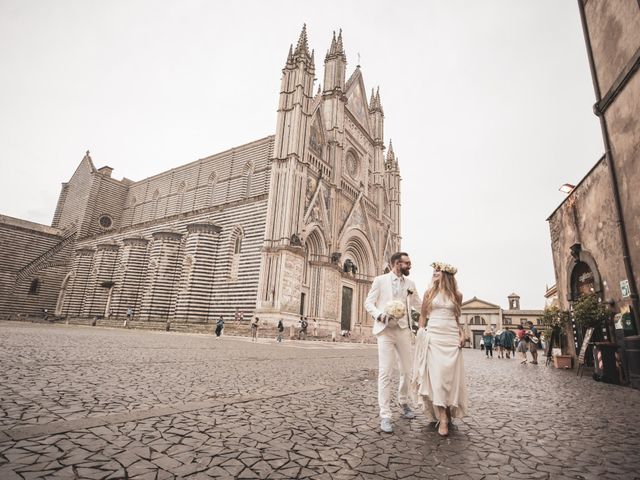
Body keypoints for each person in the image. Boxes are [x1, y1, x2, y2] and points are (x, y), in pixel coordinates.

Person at [364, 251, 422, 434]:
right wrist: (380, 315)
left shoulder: (411, 284)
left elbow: (419, 305)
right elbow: (368, 303)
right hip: (385, 331)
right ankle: (385, 415)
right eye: (407, 263)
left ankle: (403, 402)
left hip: (403, 330)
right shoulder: (380, 280)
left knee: (407, 370)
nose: (410, 266)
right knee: (385, 372)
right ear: (397, 264)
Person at [412, 261, 467, 437]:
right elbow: (422, 315)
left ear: (447, 274)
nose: (434, 273)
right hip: (434, 336)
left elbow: (457, 318)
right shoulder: (430, 292)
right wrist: (420, 332)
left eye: (438, 270)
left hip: (451, 337)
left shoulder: (457, 295)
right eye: (434, 270)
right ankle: (442, 417)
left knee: (449, 378)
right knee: (436, 377)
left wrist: (461, 333)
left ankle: (449, 410)